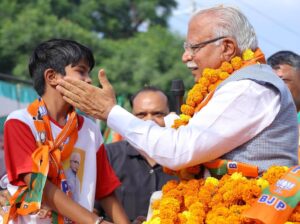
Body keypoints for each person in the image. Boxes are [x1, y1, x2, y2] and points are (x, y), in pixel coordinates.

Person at [56, 6, 298, 175]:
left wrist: (111, 113)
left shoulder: (250, 88)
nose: (186, 57)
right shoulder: (231, 85)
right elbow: (189, 132)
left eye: (194, 47)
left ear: (227, 48)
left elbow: (180, 149)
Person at [2, 39, 129, 224]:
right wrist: (96, 222)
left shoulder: (91, 129)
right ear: (52, 77)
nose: (89, 80)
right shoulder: (20, 122)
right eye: (81, 71)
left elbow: (106, 191)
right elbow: (39, 186)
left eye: (89, 73)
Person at [101, 86, 178, 222]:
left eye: (158, 114)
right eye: (141, 115)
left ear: (170, 116)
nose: (149, 121)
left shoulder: (185, 160)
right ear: (130, 117)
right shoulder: (109, 155)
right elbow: (93, 210)